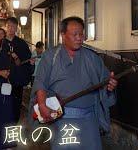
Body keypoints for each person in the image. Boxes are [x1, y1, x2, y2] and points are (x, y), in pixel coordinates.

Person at [30, 16, 118, 150]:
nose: (79, 38)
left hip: (89, 120)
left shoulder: (92, 58)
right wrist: (42, 104)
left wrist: (110, 86)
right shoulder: (51, 56)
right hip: (61, 119)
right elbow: (41, 82)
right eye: (74, 34)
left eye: (81, 34)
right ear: (63, 35)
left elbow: (105, 84)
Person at [1, 17, 34, 122]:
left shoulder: (22, 43)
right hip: (4, 79)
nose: (11, 29)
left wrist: (30, 63)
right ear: (6, 27)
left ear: (16, 28)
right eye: (9, 26)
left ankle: (14, 124)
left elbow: (27, 59)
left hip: (17, 80)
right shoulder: (1, 43)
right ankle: (5, 124)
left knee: (16, 103)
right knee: (4, 101)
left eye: (13, 27)